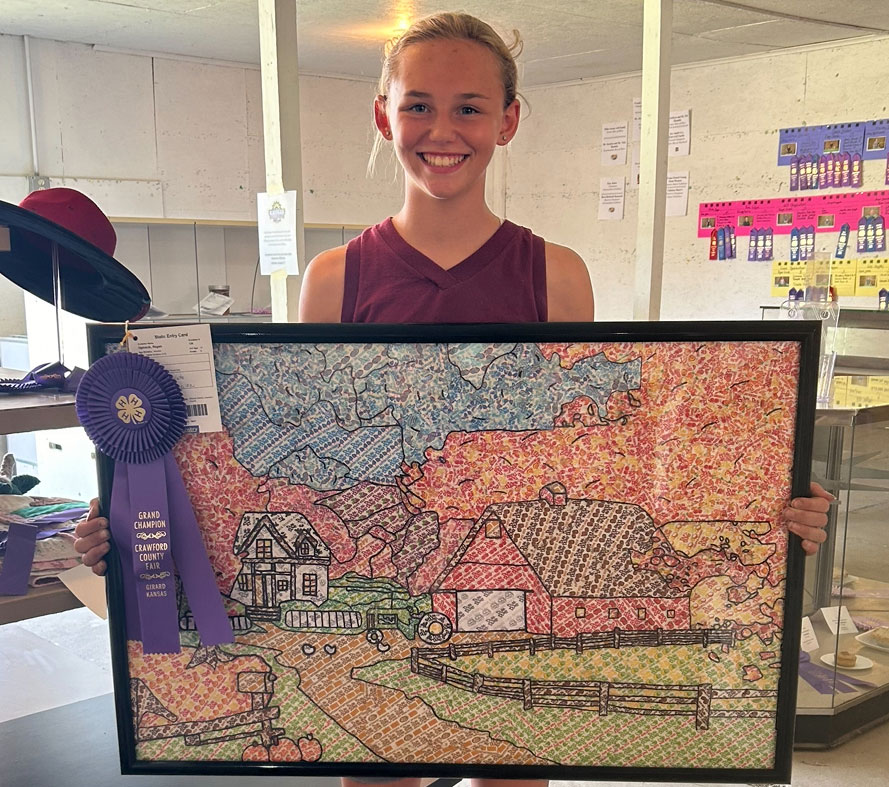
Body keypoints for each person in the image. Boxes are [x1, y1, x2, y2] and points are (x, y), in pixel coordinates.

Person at [74, 11, 832, 787]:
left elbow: (613, 457)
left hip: (466, 532)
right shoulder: (335, 278)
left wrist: (768, 490)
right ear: (383, 115)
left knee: (511, 776)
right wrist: (133, 515)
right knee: (376, 773)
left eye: (469, 106)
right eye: (417, 105)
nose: (443, 128)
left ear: (507, 120)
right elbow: (278, 460)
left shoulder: (557, 276)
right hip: (382, 546)